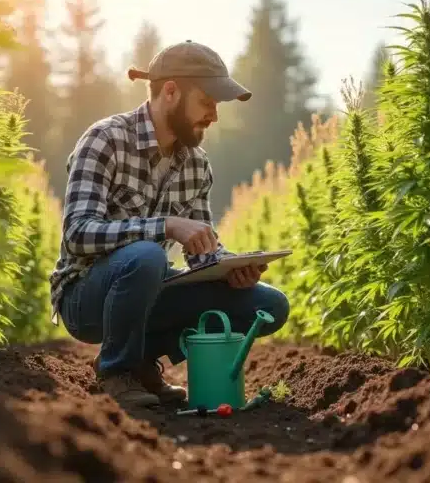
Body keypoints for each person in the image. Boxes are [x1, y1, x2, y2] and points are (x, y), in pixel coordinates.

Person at [48, 40, 290, 408]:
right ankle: (117, 371)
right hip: (86, 296)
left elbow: (202, 251)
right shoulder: (105, 140)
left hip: (148, 288)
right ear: (171, 92)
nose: (214, 115)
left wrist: (230, 269)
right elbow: (77, 234)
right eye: (207, 102)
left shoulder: (196, 164)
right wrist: (164, 226)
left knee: (268, 305)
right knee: (147, 256)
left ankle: (142, 359)